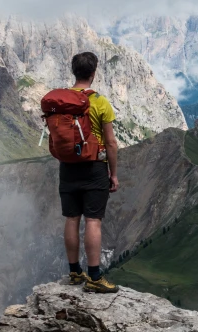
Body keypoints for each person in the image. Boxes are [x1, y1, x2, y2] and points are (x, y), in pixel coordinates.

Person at [61, 51, 119, 293]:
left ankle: (74, 272)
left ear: (74, 72)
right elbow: (111, 142)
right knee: (93, 221)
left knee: (72, 219)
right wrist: (113, 175)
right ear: (93, 73)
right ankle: (94, 277)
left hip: (67, 167)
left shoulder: (60, 101)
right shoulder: (100, 102)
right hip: (94, 166)